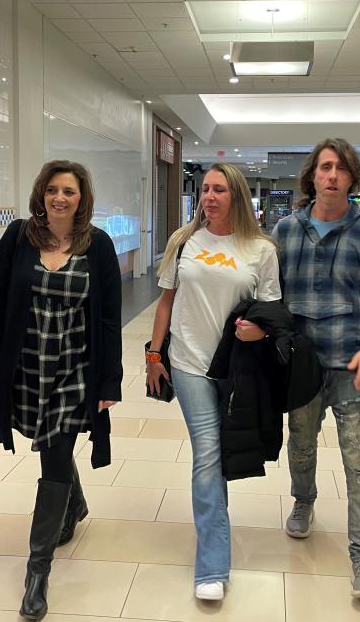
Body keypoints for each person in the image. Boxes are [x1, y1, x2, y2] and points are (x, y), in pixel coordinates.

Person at [0, 160, 122, 621]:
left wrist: (110, 380)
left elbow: (108, 317)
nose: (61, 198)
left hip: (74, 367)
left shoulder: (97, 246)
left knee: (55, 451)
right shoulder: (18, 238)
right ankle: (74, 504)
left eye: (71, 192)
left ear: (82, 200)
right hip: (26, 367)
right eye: (54, 190)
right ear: (42, 194)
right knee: (48, 445)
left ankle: (37, 570)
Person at [146, 163, 280, 602]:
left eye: (219, 190)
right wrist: (153, 354)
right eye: (205, 189)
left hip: (237, 368)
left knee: (218, 454)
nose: (209, 197)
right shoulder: (183, 242)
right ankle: (213, 565)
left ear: (236, 196)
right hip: (188, 364)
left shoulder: (260, 249)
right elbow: (166, 301)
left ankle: (213, 537)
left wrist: (259, 331)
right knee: (207, 452)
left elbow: (272, 313)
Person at [273, 138, 360, 603]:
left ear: (352, 179)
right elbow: (273, 294)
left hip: (350, 364)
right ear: (312, 176)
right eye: (324, 167)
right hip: (302, 363)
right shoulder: (286, 230)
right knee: (300, 444)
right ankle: (304, 498)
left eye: (341, 169)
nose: (332, 176)